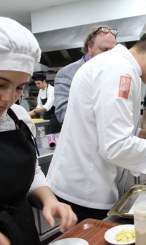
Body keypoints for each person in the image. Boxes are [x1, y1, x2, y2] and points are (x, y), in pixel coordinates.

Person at [46, 26, 146, 222]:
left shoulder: (116, 65)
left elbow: (100, 126)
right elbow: (115, 145)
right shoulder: (120, 71)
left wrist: (143, 134)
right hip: (85, 191)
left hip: (85, 183)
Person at [0, 17, 77, 245]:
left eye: (19, 88)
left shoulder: (18, 117)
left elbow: (31, 172)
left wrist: (49, 199)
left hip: (23, 230)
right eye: (0, 84)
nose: (9, 98)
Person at [54, 25, 117, 124]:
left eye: (112, 51)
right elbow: (63, 114)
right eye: (104, 50)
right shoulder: (67, 74)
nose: (109, 56)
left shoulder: (114, 73)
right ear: (90, 47)